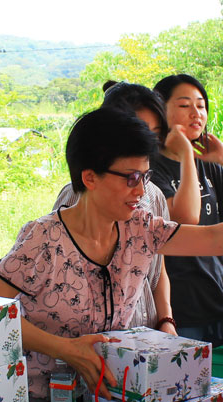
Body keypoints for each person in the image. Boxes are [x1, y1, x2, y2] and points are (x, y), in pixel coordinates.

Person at [0, 107, 223, 402]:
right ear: (90, 177)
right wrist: (66, 350)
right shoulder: (43, 239)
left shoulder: (139, 228)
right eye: (131, 178)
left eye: (145, 176)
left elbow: (211, 238)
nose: (141, 190)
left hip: (108, 401)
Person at [152, 74, 223, 346]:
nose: (196, 113)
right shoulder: (150, 169)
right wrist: (184, 156)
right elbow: (185, 217)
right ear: (160, 110)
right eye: (184, 105)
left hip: (222, 302)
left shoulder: (209, 165)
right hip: (180, 312)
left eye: (201, 105)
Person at [52, 81, 177, 335]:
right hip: (98, 344)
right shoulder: (76, 196)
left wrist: (166, 320)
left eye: (153, 132)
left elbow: (158, 267)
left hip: (146, 337)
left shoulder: (153, 195)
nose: (145, 141)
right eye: (137, 129)